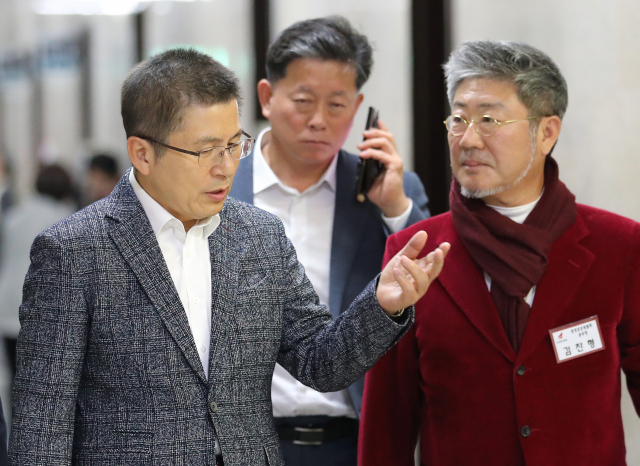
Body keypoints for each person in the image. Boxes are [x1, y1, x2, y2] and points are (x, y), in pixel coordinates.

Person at [8, 48, 449, 466]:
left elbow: (320, 361)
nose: (226, 167)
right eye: (205, 151)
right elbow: (42, 424)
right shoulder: (74, 251)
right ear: (143, 153)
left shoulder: (259, 236)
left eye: (234, 144)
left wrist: (381, 305)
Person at [359, 40, 640, 466]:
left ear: (546, 132)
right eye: (458, 118)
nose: (468, 139)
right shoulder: (413, 251)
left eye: (489, 119)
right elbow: (387, 423)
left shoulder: (617, 245)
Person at [229, 16, 429, 465]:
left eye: (337, 106)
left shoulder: (388, 192)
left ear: (358, 108)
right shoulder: (216, 190)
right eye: (303, 101)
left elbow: (435, 297)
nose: (319, 121)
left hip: (355, 443)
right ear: (266, 96)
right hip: (236, 443)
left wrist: (395, 208)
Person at [0, 164, 75, 379]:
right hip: (41, 309)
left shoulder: (13, 216)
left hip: (7, 303)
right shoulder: (66, 218)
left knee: (16, 377)